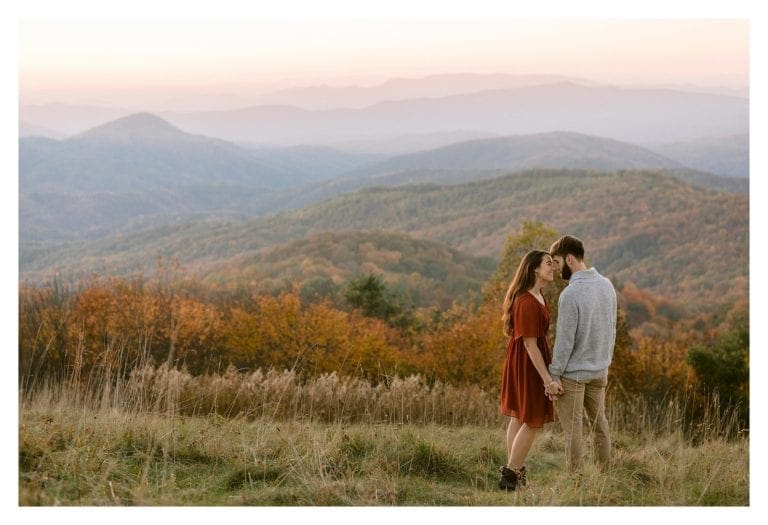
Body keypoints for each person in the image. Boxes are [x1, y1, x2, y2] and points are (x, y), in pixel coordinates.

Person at [548, 235, 617, 473]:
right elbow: (612, 328)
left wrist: (554, 374)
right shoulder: (607, 285)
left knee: (573, 429)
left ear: (569, 258)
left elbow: (565, 341)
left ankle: (575, 482)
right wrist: (606, 360)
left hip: (574, 374)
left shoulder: (571, 294)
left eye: (557, 263)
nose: (556, 269)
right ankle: (605, 475)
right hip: (600, 370)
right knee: (600, 425)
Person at [498, 249, 564, 491]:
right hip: (527, 362)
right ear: (534, 268)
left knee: (519, 416)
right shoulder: (526, 301)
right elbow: (529, 344)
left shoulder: (539, 296)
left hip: (525, 359)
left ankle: (515, 470)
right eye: (548, 263)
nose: (553, 267)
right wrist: (548, 380)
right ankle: (510, 474)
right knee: (534, 420)